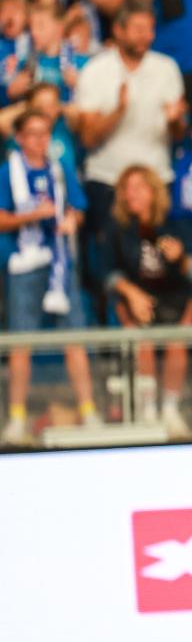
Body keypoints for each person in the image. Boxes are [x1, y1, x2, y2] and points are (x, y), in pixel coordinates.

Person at [0, 109, 96, 445]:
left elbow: (78, 208)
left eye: (46, 134)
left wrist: (72, 220)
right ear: (20, 138)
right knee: (21, 344)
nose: (41, 141)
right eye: (34, 134)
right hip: (24, 265)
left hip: (61, 263)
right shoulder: (6, 172)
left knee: (75, 339)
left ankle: (88, 410)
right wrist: (31, 216)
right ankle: (16, 416)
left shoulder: (60, 170)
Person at [72, 6, 187, 244]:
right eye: (138, 29)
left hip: (156, 179)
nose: (147, 36)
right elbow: (88, 139)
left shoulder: (167, 69)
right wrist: (118, 112)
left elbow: (178, 135)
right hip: (108, 181)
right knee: (111, 264)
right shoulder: (95, 71)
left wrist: (176, 121)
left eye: (150, 29)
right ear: (118, 30)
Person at [102, 164, 192, 436]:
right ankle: (147, 409)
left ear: (152, 191)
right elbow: (105, 272)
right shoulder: (117, 228)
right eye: (126, 189)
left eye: (137, 187)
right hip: (136, 301)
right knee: (141, 341)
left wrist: (180, 258)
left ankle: (170, 408)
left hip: (175, 301)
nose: (130, 194)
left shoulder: (176, 222)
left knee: (176, 343)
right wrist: (132, 294)